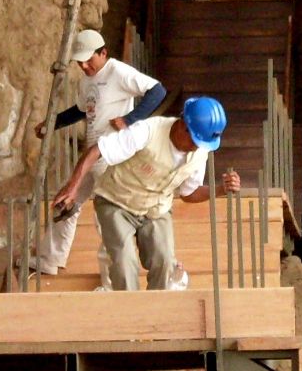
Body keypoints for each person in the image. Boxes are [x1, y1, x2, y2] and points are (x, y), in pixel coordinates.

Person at [52, 95, 239, 291]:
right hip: (116, 201)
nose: (197, 147)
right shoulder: (148, 131)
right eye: (195, 140)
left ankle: (155, 314)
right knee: (125, 264)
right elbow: (97, 150)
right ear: (183, 125)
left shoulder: (200, 153)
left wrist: (220, 190)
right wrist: (71, 188)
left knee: (165, 262)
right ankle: (133, 314)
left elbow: (188, 193)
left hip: (156, 209)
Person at [33, 29, 167, 276]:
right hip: (91, 155)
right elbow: (82, 110)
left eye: (89, 60)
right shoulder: (86, 81)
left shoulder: (117, 71)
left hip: (113, 156)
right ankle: (50, 259)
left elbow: (157, 90)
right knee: (65, 200)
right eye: (80, 62)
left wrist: (130, 118)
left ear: (103, 53)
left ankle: (111, 278)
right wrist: (52, 123)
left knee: (107, 217)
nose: (84, 66)